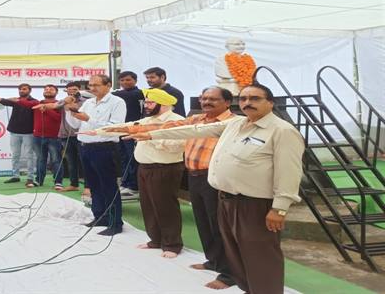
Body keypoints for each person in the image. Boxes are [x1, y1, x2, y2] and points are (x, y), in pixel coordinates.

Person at [125, 83, 304, 294]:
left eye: (255, 98)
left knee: (260, 255)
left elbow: (289, 172)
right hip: (227, 199)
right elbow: (195, 130)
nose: (248, 103)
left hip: (255, 203)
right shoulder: (236, 124)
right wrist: (150, 134)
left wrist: (280, 208)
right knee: (236, 253)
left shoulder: (282, 131)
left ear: (270, 103)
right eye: (244, 99)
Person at [67, 74, 126, 236]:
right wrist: (70, 111)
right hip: (85, 147)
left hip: (105, 148)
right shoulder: (88, 102)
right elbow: (75, 124)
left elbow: (116, 127)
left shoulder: (117, 102)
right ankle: (100, 216)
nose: (92, 88)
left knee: (109, 186)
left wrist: (89, 119)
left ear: (108, 85)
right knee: (94, 185)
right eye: (90, 85)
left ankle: (115, 222)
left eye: (96, 85)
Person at [132, 89, 186, 258]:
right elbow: (130, 127)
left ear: (163, 104)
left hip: (164, 168)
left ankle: (172, 244)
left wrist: (150, 138)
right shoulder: (147, 120)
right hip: (144, 167)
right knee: (148, 206)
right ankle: (155, 239)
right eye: (146, 102)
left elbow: (178, 145)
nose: (146, 106)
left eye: (150, 103)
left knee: (165, 207)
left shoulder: (177, 121)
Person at [0, 83, 38, 187]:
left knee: (29, 156)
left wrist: (5, 99)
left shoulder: (34, 101)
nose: (21, 91)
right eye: (20, 89)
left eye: (24, 89)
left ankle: (30, 178)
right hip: (14, 132)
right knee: (15, 155)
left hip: (29, 132)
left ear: (29, 90)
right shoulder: (16, 100)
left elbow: (24, 104)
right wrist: (0, 99)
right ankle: (15, 176)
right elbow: (5, 102)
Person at [112, 71, 143, 198]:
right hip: (121, 130)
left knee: (132, 159)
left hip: (133, 131)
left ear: (135, 81)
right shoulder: (118, 95)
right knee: (124, 158)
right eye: (122, 80)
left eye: (128, 80)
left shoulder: (139, 93)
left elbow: (124, 95)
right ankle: (125, 183)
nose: (125, 82)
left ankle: (134, 186)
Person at [26, 85, 63, 188]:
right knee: (40, 159)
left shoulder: (59, 104)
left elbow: (59, 118)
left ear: (56, 92)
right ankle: (38, 181)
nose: (48, 91)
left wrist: (47, 109)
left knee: (56, 160)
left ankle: (58, 182)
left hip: (54, 137)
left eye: (51, 89)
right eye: (46, 89)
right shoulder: (37, 104)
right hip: (38, 137)